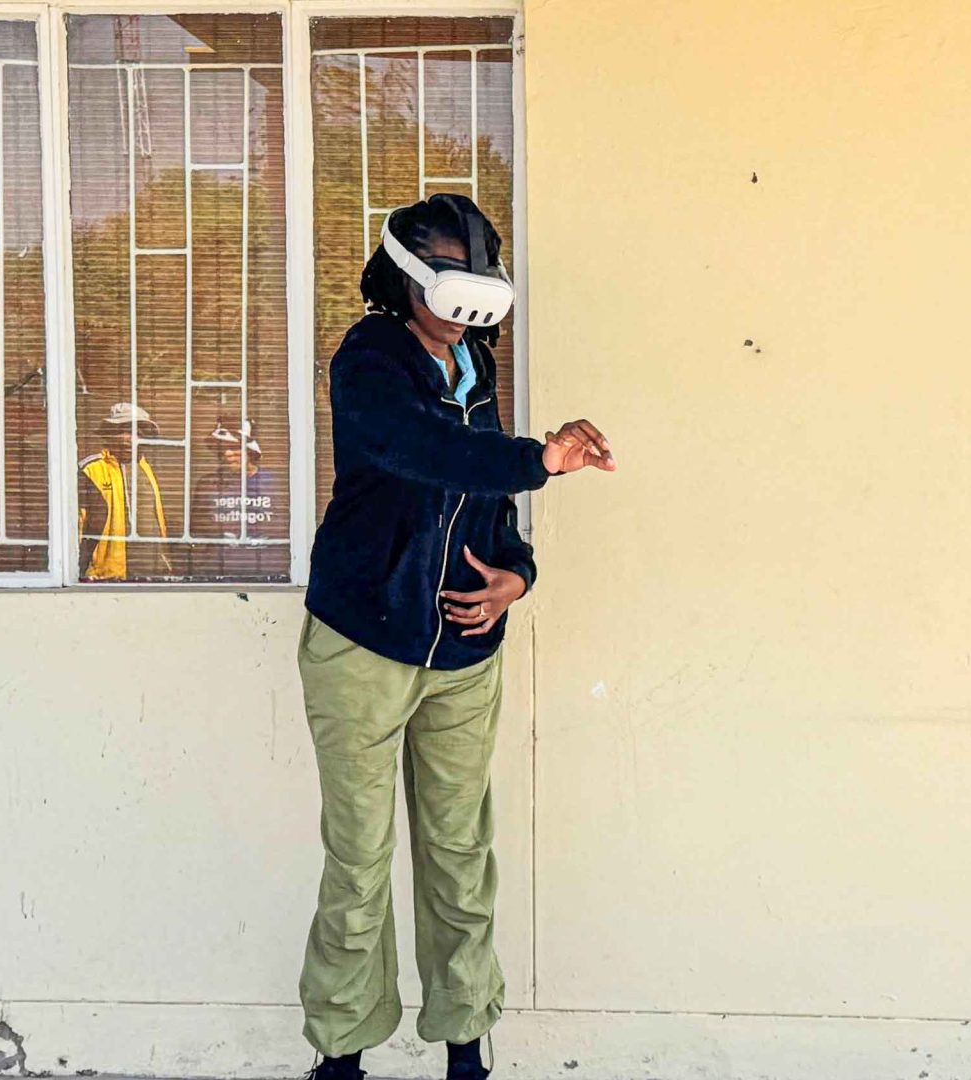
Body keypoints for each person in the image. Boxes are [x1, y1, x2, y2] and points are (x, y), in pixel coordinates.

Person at [297, 193, 613, 1080]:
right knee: (359, 866)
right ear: (406, 278)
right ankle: (342, 1058)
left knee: (460, 859)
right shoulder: (369, 360)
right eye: (450, 276)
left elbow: (486, 500)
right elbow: (421, 452)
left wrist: (518, 575)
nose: (468, 297)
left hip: (462, 658)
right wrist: (539, 458)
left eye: (479, 275)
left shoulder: (475, 361)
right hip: (363, 643)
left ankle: (466, 1051)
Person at [77, 401, 172, 581]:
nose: (130, 438)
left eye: (137, 432)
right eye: (124, 431)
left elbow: (159, 522)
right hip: (105, 574)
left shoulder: (148, 469)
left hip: (148, 570)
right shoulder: (90, 469)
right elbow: (77, 525)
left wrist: (164, 562)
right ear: (109, 434)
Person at [187, 418, 289, 579]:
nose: (227, 454)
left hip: (269, 577)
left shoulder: (276, 484)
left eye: (234, 447)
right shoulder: (208, 484)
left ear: (250, 450)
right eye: (222, 449)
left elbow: (288, 529)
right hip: (217, 576)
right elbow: (197, 530)